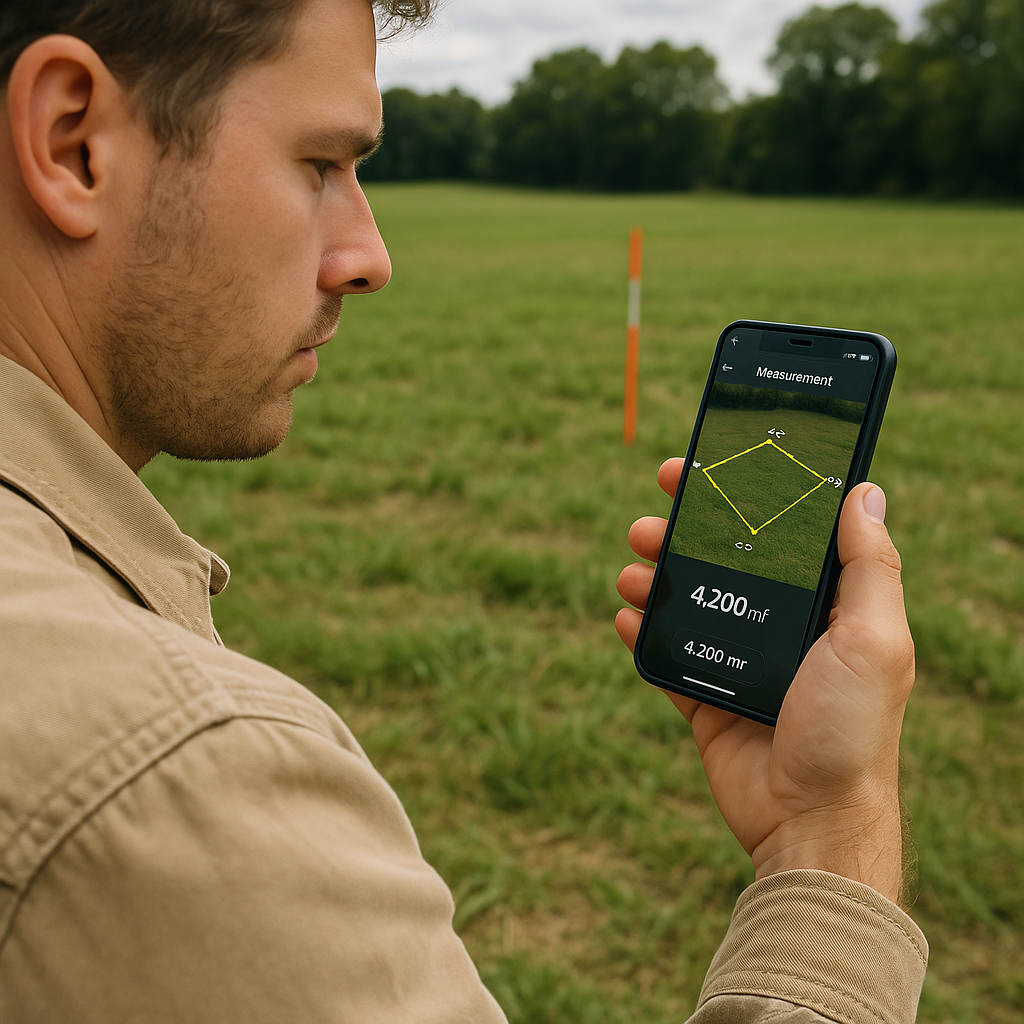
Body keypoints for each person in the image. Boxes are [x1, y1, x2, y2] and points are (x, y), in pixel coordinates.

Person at [0, 0, 926, 1020]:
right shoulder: (170, 778)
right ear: (71, 141)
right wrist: (831, 834)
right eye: (319, 165)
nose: (370, 256)